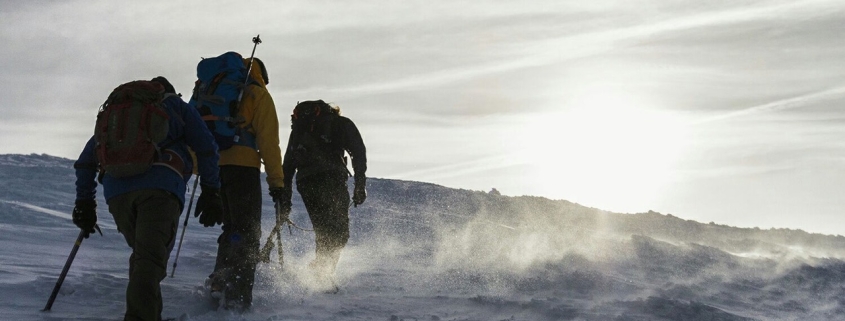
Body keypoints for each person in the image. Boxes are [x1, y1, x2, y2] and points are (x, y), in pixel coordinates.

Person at [72, 77, 223, 321]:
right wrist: (211, 190)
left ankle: (149, 314)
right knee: (150, 260)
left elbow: (86, 161)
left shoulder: (117, 113)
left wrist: (85, 203)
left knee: (145, 258)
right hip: (160, 189)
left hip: (117, 193)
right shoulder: (176, 106)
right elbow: (207, 147)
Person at [204, 56, 286, 310]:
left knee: (230, 228)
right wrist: (277, 183)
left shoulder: (212, 88)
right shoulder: (256, 93)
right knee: (247, 231)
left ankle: (220, 280)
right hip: (244, 167)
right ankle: (238, 294)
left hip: (216, 168)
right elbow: (268, 142)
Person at [281, 99, 367, 289]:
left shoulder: (299, 130)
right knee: (339, 232)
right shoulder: (341, 123)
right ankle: (322, 273)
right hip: (332, 178)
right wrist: (360, 184)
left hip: (306, 182)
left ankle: (321, 271)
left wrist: (284, 201)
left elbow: (287, 167)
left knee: (324, 229)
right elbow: (358, 152)